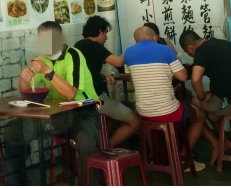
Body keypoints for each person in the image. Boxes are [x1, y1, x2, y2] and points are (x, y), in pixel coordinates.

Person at [16, 21, 102, 183]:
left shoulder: (73, 55)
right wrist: (24, 77)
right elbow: (25, 92)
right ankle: (17, 182)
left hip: (83, 113)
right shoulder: (42, 59)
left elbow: (71, 94)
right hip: (56, 117)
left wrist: (49, 71)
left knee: (84, 139)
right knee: (14, 132)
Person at [124, 26, 206, 172]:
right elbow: (183, 77)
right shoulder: (165, 50)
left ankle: (156, 156)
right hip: (168, 111)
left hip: (143, 112)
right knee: (200, 115)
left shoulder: (128, 53)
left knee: (151, 119)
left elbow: (131, 79)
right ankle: (182, 158)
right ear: (155, 38)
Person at [74, 16, 141, 148]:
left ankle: (98, 144)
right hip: (96, 99)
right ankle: (104, 148)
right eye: (105, 33)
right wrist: (130, 51)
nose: (106, 38)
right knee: (135, 121)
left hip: (80, 99)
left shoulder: (79, 45)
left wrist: (102, 75)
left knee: (111, 119)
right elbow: (119, 62)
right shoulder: (94, 46)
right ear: (100, 31)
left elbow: (85, 69)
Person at [178, 29, 231, 123]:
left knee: (185, 104)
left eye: (186, 52)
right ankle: (222, 137)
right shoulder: (224, 44)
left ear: (189, 48)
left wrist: (201, 97)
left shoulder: (201, 50)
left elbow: (195, 80)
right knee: (208, 108)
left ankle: (221, 137)